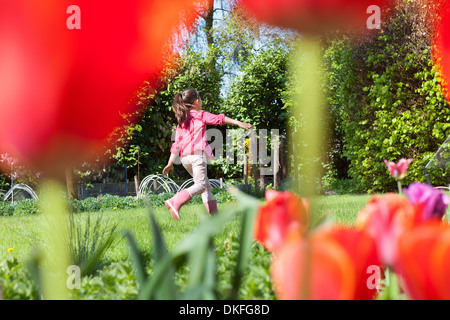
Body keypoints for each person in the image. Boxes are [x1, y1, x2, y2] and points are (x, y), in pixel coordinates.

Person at [163, 88, 253, 220]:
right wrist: (238, 123)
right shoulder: (199, 114)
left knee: (206, 187)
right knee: (200, 185)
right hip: (196, 157)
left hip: (185, 159)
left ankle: (214, 219)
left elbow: (176, 144)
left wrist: (170, 163)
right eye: (200, 98)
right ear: (196, 101)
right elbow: (219, 119)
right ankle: (175, 201)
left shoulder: (182, 120)